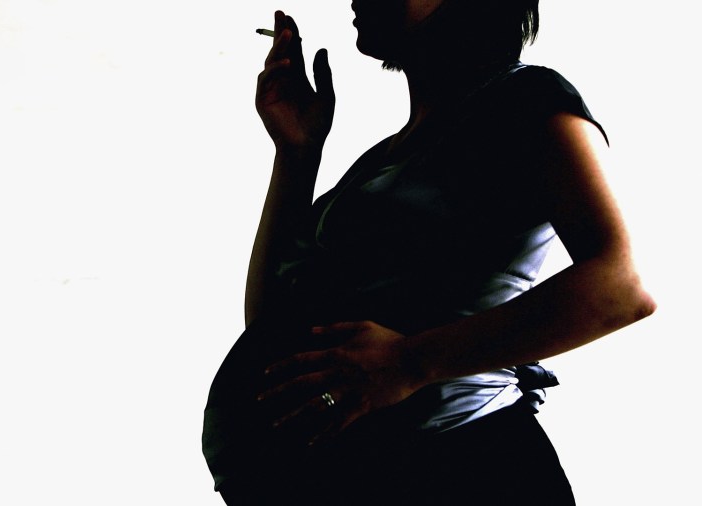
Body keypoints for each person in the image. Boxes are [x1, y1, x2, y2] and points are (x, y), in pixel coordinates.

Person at [202, 1, 656, 504]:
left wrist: (409, 361)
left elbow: (620, 286)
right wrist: (296, 154)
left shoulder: (527, 99)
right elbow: (270, 325)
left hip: (463, 471)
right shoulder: (381, 160)